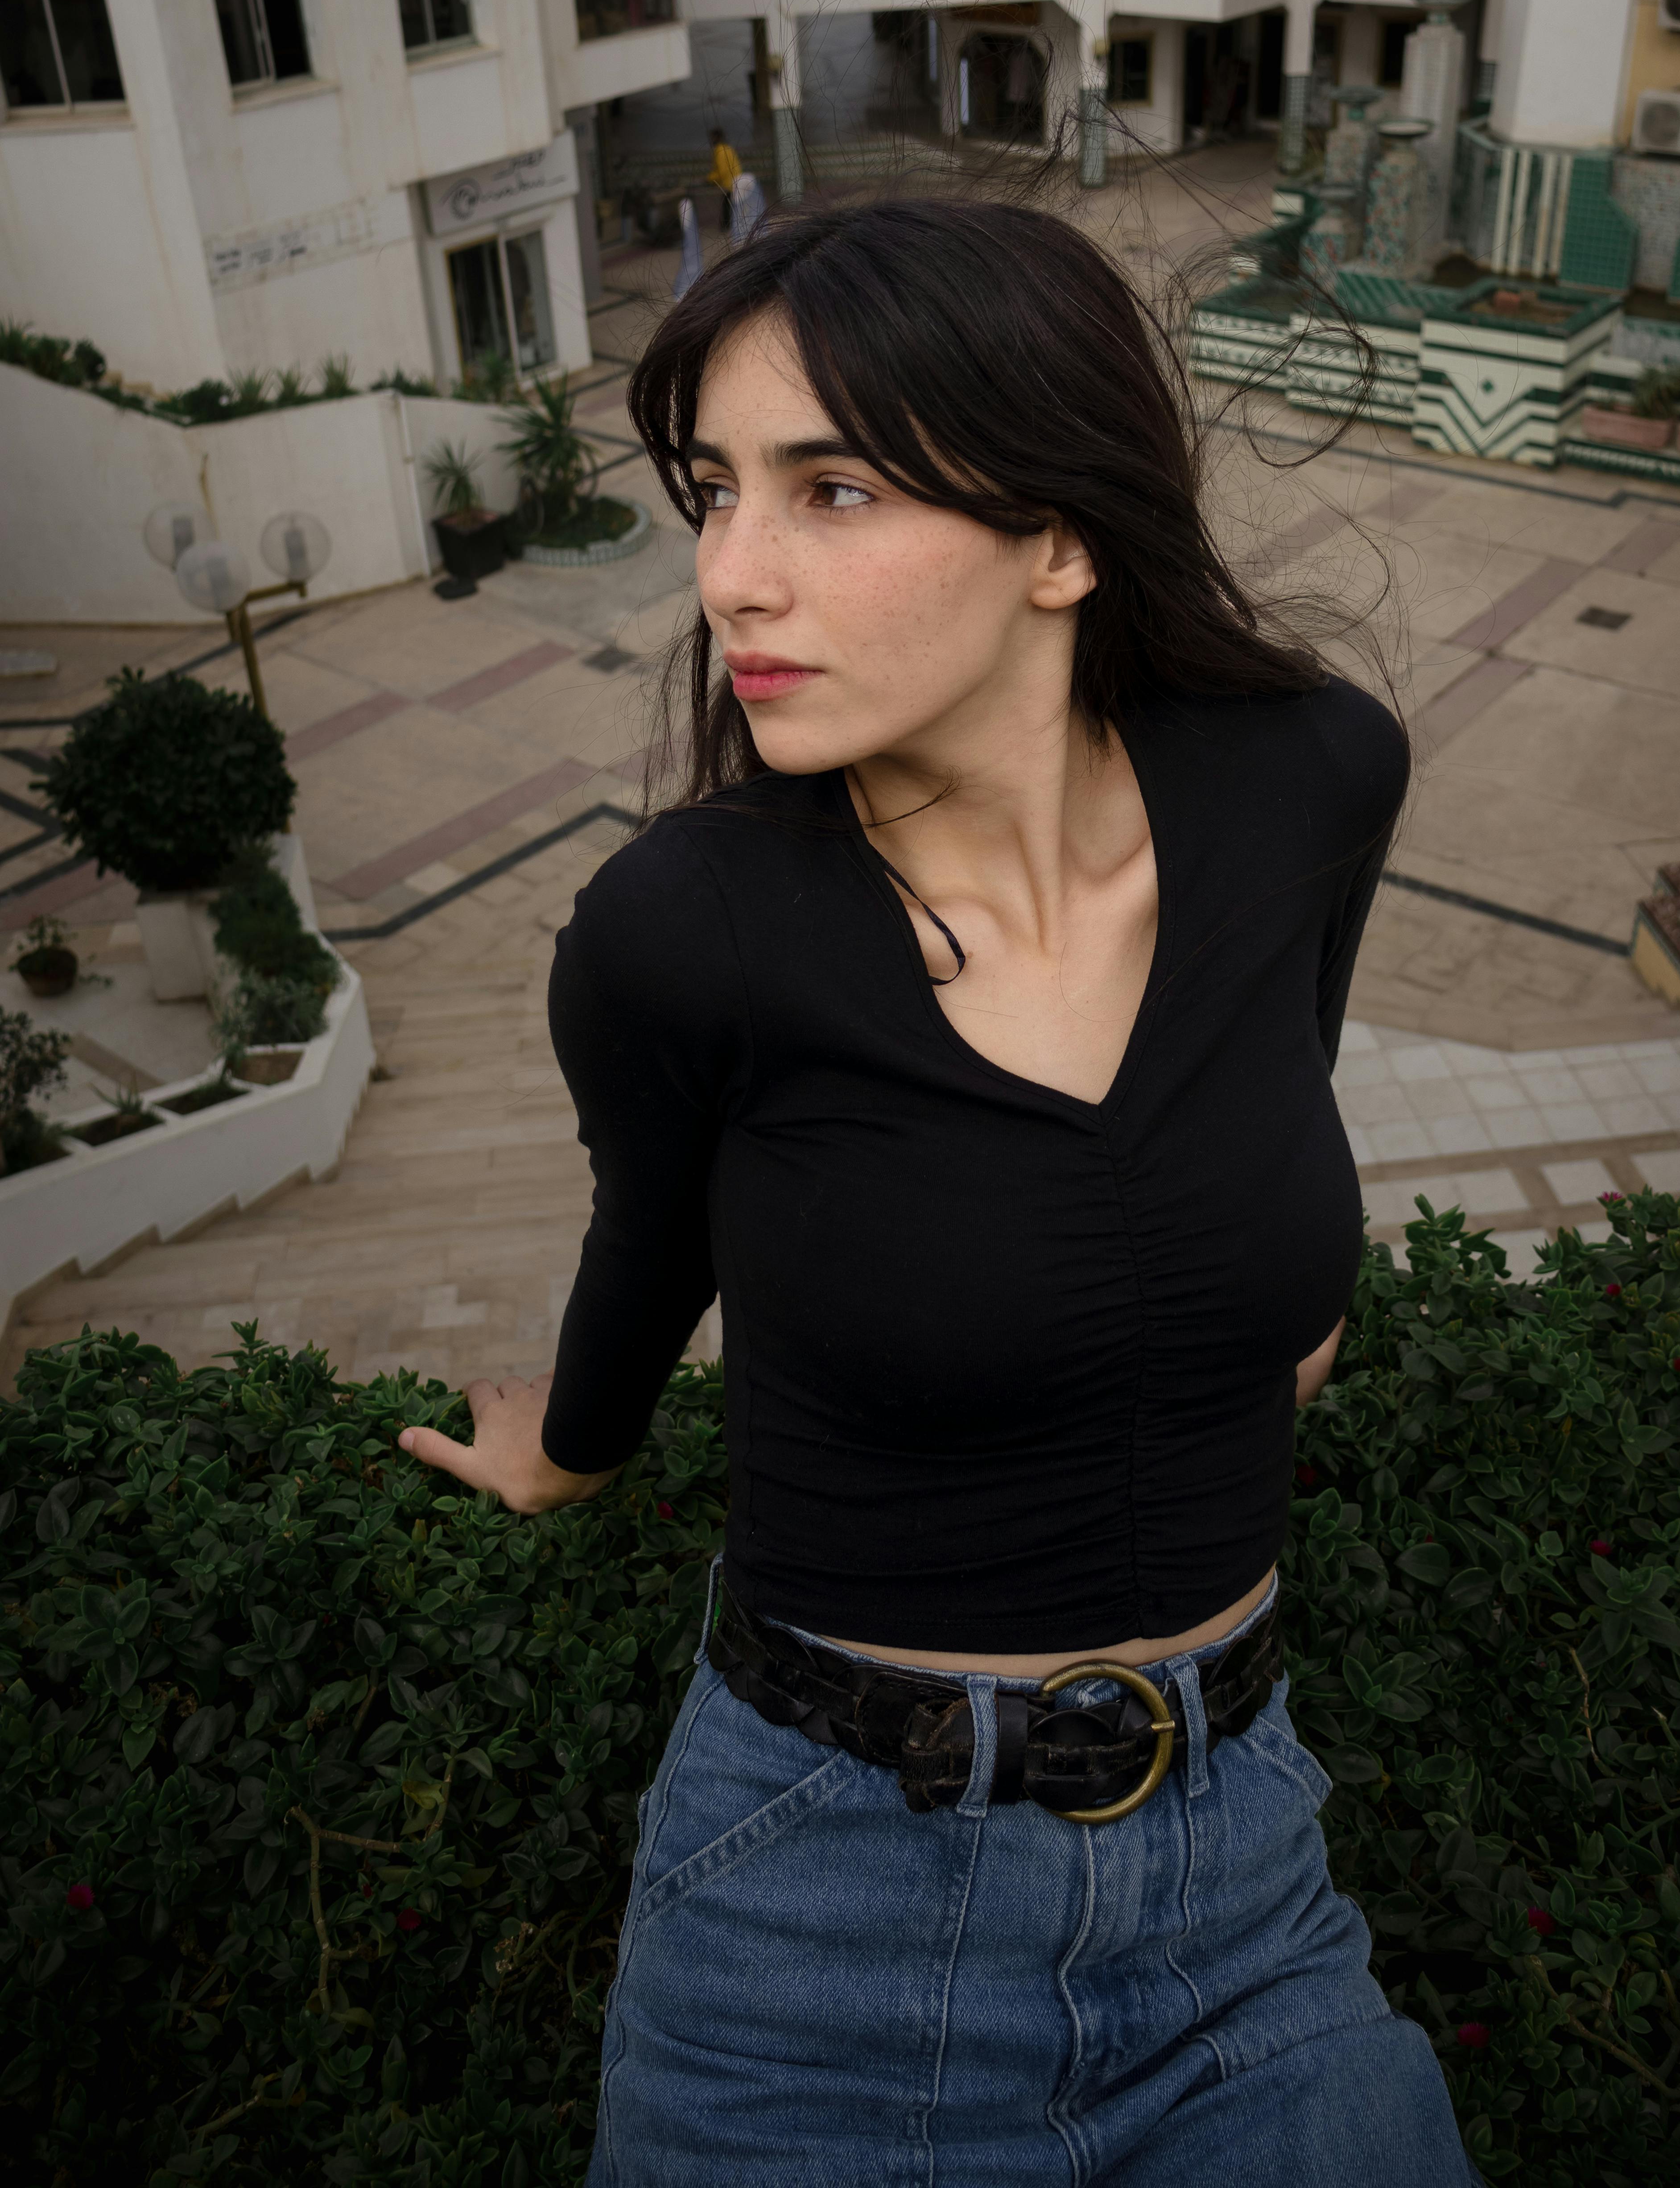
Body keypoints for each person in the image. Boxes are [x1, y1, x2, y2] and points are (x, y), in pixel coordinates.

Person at [397, 198, 1477, 2186]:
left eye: (832, 488)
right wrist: (573, 1445)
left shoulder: (1313, 774)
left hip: (1243, 1888)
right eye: (711, 491)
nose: (729, 575)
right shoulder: (675, 930)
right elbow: (651, 1233)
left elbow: (1263, 1084)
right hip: (814, 1924)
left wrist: (1258, 1307)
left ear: (1059, 535)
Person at [706, 124, 741, 232]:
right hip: (736, 181)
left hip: (728, 184)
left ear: (716, 138)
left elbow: (722, 171)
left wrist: (709, 179)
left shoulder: (720, 151)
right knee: (729, 206)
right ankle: (729, 227)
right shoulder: (728, 149)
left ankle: (727, 228)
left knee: (727, 206)